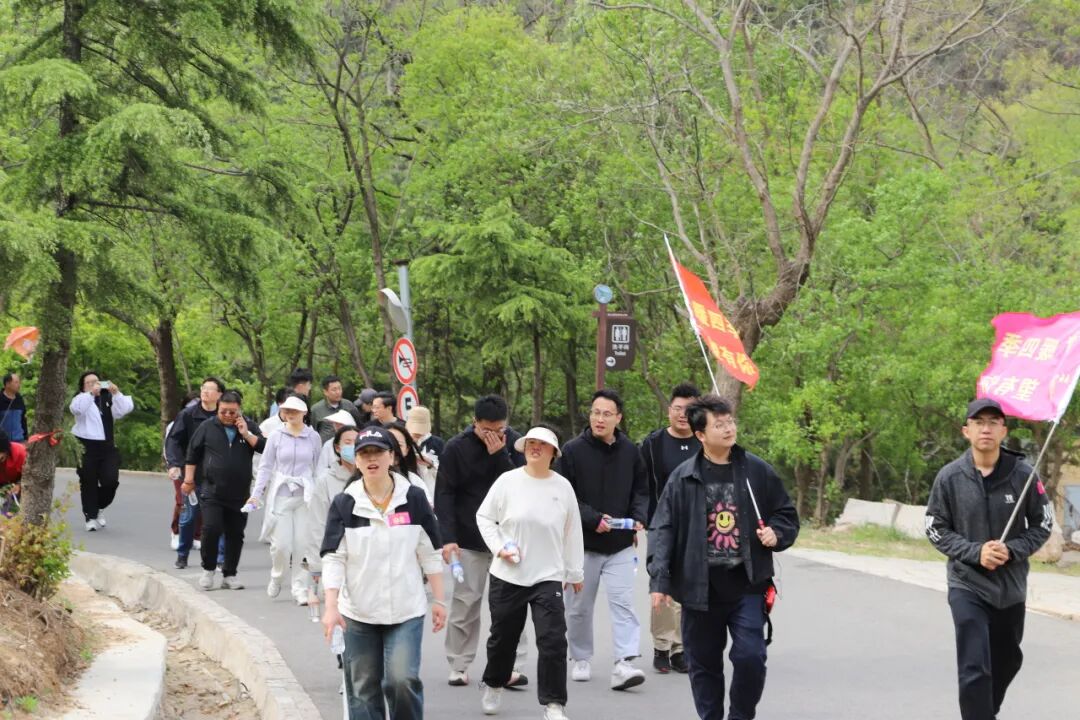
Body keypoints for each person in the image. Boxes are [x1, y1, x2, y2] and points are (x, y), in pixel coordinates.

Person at [648, 394, 799, 720]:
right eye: (719, 425)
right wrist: (659, 579)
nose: (729, 428)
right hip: (699, 589)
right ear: (700, 434)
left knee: (751, 657)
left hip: (747, 585)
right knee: (703, 665)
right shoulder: (683, 478)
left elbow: (786, 514)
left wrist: (776, 533)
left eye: (730, 421)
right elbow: (663, 528)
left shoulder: (756, 471)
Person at [925, 398, 1052, 720]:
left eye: (993, 422)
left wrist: (1013, 550)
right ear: (966, 431)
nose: (986, 428)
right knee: (974, 664)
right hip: (967, 584)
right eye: (978, 422)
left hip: (1010, 588)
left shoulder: (1024, 476)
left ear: (1003, 431)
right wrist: (975, 552)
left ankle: (984, 711)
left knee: (1008, 660)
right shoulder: (950, 477)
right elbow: (935, 528)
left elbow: (1043, 524)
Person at [320, 425, 447, 720]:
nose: (371, 458)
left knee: (402, 681)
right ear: (356, 460)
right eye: (364, 453)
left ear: (392, 456)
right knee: (363, 688)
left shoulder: (414, 498)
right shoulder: (345, 503)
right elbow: (334, 558)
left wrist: (440, 600)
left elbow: (430, 552)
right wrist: (330, 606)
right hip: (358, 612)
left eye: (378, 452)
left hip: (406, 610)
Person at [476, 426, 584, 720]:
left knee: (553, 640)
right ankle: (494, 683)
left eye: (542, 444)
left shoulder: (563, 487)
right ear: (524, 449)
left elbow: (572, 532)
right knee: (503, 638)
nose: (535, 448)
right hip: (508, 574)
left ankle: (553, 703)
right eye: (531, 443)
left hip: (548, 575)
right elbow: (484, 517)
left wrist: (575, 572)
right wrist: (499, 547)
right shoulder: (507, 481)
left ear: (553, 452)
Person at [555, 389, 649, 691]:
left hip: (620, 545)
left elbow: (641, 490)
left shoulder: (630, 451)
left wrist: (638, 516)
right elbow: (564, 495)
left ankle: (624, 662)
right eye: (596, 412)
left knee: (623, 603)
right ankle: (581, 657)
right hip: (582, 545)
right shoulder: (572, 451)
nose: (600, 419)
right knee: (579, 606)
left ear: (618, 418)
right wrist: (592, 519)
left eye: (607, 414)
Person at [434, 394, 529, 687]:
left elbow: (520, 486)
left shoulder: (516, 444)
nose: (493, 435)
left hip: (507, 539)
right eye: (487, 429)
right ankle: (459, 664)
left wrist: (499, 454)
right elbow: (444, 495)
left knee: (510, 605)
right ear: (474, 422)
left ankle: (510, 665)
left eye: (499, 429)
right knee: (465, 602)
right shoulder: (456, 448)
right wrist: (448, 538)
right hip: (469, 537)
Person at [639, 383, 701, 674]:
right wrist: (639, 516)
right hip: (661, 524)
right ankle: (662, 646)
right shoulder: (653, 444)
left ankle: (681, 648)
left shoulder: (704, 442)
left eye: (689, 410)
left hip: (697, 526)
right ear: (669, 410)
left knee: (688, 587)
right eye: (678, 408)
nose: (682, 415)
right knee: (662, 582)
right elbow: (640, 483)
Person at [182, 390, 266, 590]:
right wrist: (188, 480)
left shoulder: (249, 426)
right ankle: (208, 569)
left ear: (239, 410)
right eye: (224, 411)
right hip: (212, 490)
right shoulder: (207, 427)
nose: (228, 415)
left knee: (236, 533)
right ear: (218, 409)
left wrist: (246, 433)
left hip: (240, 493)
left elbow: (264, 447)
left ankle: (230, 574)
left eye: (232, 412)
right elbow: (192, 454)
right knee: (211, 528)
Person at [249, 394, 323, 604]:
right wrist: (256, 494)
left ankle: (299, 588)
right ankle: (277, 575)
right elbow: (265, 466)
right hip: (281, 496)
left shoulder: (313, 437)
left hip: (304, 497)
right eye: (286, 411)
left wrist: (319, 496)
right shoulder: (276, 435)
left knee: (302, 545)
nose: (290, 414)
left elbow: (318, 468)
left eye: (294, 411)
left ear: (304, 413)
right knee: (281, 545)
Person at [166, 377, 225, 566]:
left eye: (210, 389)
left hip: (219, 475)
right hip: (193, 473)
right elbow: (173, 440)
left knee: (218, 518)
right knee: (189, 516)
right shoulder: (187, 414)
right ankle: (182, 554)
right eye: (203, 388)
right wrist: (174, 464)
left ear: (219, 394)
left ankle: (219, 558)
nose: (205, 391)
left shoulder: (225, 414)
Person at [70, 371, 134, 531]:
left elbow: (124, 409)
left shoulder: (107, 398)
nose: (94, 385)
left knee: (110, 481)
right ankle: (90, 516)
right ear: (83, 386)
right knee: (88, 482)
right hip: (86, 446)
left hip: (107, 446)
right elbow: (77, 410)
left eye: (97, 381)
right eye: (90, 383)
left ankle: (98, 506)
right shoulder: (80, 398)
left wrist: (116, 393)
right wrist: (91, 394)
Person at [307, 426, 359, 592]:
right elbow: (317, 524)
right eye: (347, 442)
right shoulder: (325, 481)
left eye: (356, 442)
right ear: (337, 447)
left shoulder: (371, 477)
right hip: (336, 553)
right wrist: (316, 565)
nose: (353, 446)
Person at [388, 420, 434, 504]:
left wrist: (431, 466)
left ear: (407, 449)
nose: (393, 451)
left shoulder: (415, 481)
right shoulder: (363, 483)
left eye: (399, 445)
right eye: (388, 444)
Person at [311, 375, 363, 442]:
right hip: (325, 446)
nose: (338, 392)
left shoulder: (349, 405)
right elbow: (313, 432)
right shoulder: (316, 410)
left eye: (339, 388)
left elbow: (358, 426)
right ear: (325, 392)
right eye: (334, 390)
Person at [406, 405, 443, 490]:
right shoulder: (403, 441)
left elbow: (446, 473)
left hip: (432, 489)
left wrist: (431, 464)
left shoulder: (437, 443)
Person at [316, 409, 357, 474]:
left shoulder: (360, 442)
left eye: (341, 424)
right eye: (336, 424)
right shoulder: (329, 444)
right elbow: (321, 468)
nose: (338, 427)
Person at [0, 430, 26, 515]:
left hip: (21, 483)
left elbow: (33, 476)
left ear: (6, 449)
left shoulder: (21, 453)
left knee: (9, 514)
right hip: (3, 484)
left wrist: (20, 485)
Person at [0, 372, 28, 442]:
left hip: (19, 440)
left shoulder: (19, 399)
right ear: (7, 384)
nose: (19, 385)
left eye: (19, 382)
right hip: (2, 442)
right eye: (16, 382)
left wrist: (25, 438)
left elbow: (23, 420)